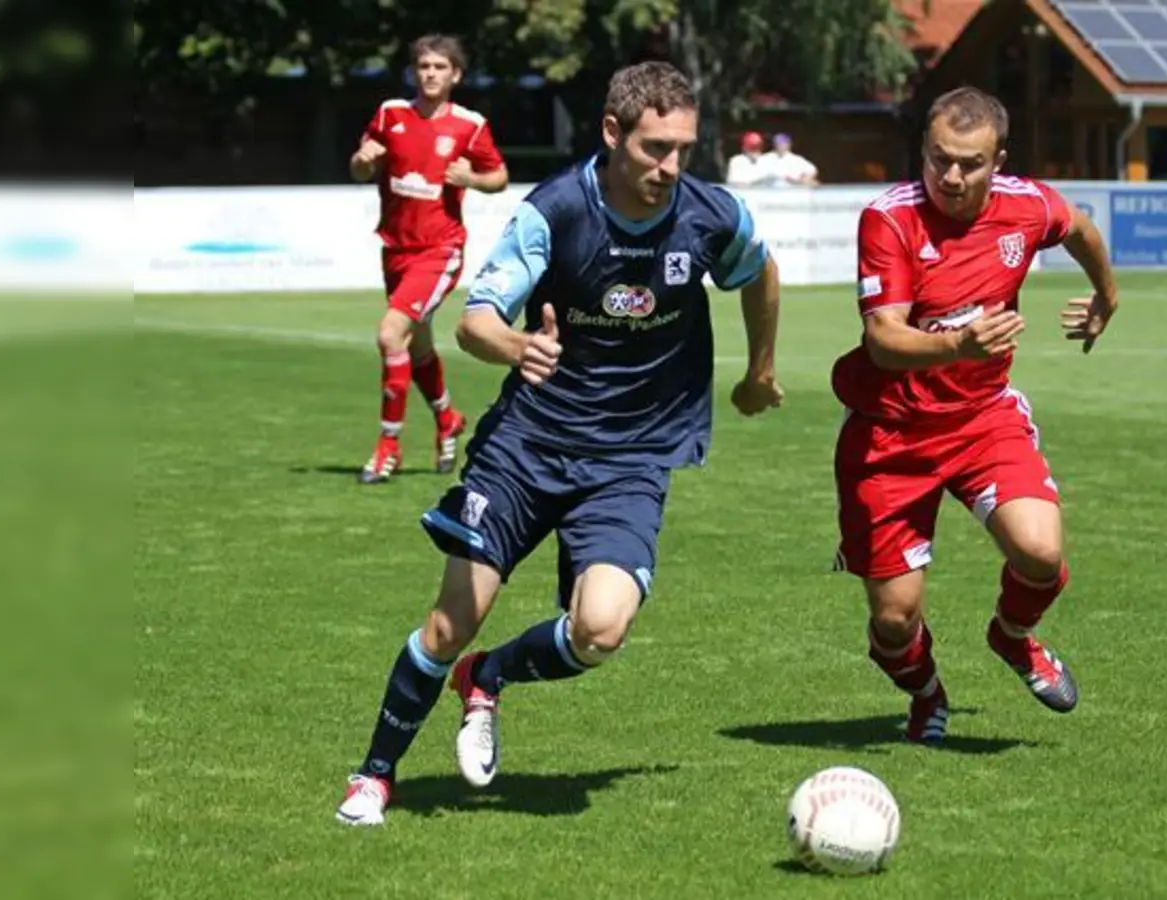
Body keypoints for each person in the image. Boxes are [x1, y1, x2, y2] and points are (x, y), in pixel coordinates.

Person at [336, 61, 785, 826]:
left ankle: (489, 678)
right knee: (453, 619)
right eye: (653, 148)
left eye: (682, 148)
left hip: (632, 459)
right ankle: (376, 774)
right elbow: (473, 321)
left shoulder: (711, 214)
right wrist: (516, 348)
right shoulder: (555, 212)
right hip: (530, 446)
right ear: (612, 133)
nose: (669, 167)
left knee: (602, 627)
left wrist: (759, 373)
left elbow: (759, 271)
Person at [830, 86, 1118, 743]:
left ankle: (1013, 637)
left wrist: (1107, 295)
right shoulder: (890, 219)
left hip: (982, 418)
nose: (951, 176)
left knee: (1040, 553)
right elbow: (884, 338)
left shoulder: (1025, 205)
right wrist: (960, 343)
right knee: (896, 621)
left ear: (999, 161)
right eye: (938, 160)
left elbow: (1077, 226)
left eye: (969, 163)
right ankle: (927, 694)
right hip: (889, 436)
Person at [349, 34, 510, 485]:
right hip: (396, 248)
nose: (431, 73)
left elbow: (499, 175)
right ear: (415, 72)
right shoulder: (390, 114)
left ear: (455, 75)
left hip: (440, 250)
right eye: (424, 66)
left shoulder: (468, 125)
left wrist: (473, 178)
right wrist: (363, 160)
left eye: (441, 66)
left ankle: (388, 449)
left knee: (389, 334)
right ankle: (447, 418)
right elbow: (361, 168)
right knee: (415, 346)